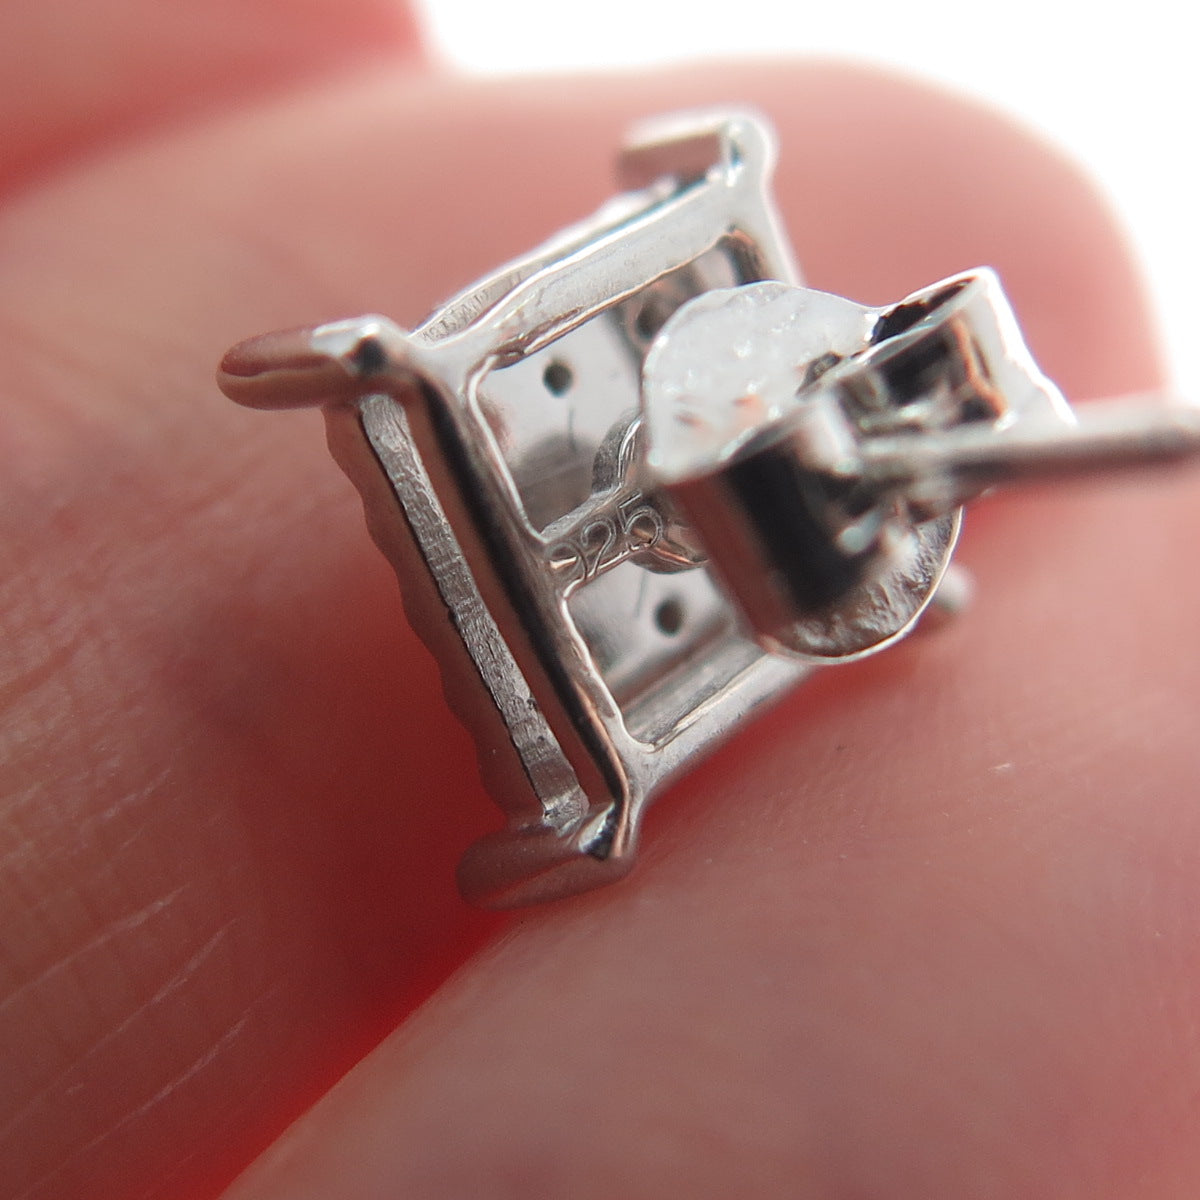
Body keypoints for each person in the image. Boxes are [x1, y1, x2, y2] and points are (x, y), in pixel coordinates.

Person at [2, 3, 1196, 1198]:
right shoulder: (763, 360)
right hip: (574, 464)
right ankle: (409, 388)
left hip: (632, 623)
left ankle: (423, 405)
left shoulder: (831, 517)